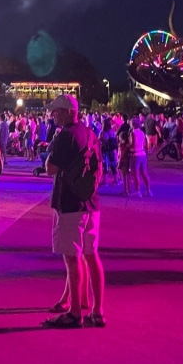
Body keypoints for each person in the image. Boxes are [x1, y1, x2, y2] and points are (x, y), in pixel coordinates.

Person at [42, 94, 105, 329]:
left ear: (69, 112)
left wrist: (51, 150)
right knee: (92, 255)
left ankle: (74, 311)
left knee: (71, 257)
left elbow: (50, 168)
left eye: (57, 111)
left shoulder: (65, 136)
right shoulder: (90, 134)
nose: (53, 115)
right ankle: (97, 310)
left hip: (69, 203)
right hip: (91, 202)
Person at [129, 118, 152, 196]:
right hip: (143, 154)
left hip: (136, 154)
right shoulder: (142, 133)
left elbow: (132, 144)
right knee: (144, 173)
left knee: (136, 174)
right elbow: (144, 144)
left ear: (133, 124)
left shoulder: (133, 133)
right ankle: (148, 190)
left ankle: (137, 191)